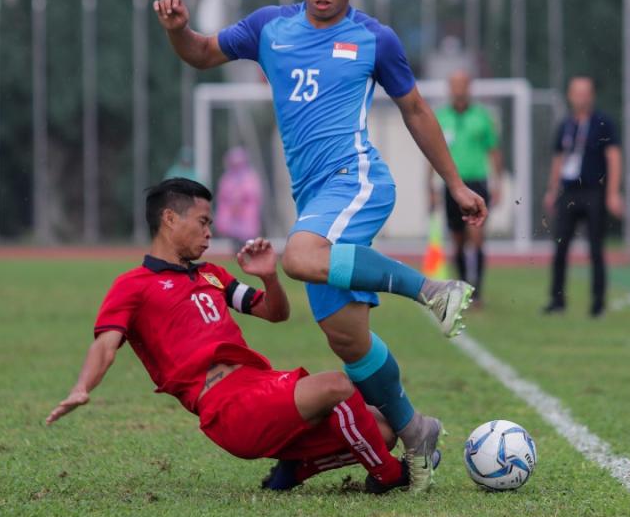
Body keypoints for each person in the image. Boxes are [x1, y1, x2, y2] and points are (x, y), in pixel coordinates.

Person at [154, 0, 487, 491]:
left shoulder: (374, 39)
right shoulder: (269, 29)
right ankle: (415, 432)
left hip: (357, 179)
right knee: (345, 335)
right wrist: (178, 31)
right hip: (314, 197)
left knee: (300, 257)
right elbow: (203, 54)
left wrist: (455, 184)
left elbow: (414, 110)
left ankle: (433, 290)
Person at [45, 178, 417, 494]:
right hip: (228, 409)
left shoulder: (211, 275)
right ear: (170, 219)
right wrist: (82, 387)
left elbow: (276, 314)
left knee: (381, 431)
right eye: (203, 222)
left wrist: (269, 277)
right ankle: (389, 475)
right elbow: (105, 344)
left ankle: (298, 468)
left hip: (258, 386)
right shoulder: (133, 286)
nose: (210, 233)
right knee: (337, 384)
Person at [542, 76, 623, 318]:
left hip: (593, 191)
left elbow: (614, 158)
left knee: (596, 249)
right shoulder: (565, 124)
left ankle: (598, 304)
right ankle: (557, 301)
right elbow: (558, 158)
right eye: (576, 92)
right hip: (569, 191)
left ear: (592, 95)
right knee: (560, 247)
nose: (581, 97)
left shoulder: (603, 123)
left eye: (585, 92)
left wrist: (613, 193)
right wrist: (552, 189)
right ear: (570, 95)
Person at [429, 70, 503, 304]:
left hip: (477, 183)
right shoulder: (440, 117)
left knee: (477, 236)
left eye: (462, 85)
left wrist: (497, 182)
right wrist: (429, 187)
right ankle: (463, 287)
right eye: (454, 85)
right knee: (458, 240)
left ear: (469, 87)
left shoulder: (482, 117)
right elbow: (431, 153)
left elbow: (493, 151)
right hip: (451, 185)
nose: (458, 89)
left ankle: (478, 290)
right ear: (450, 89)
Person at [215, 147, 264, 250]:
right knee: (234, 239)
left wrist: (241, 201)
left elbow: (254, 195)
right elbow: (223, 196)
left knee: (247, 239)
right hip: (233, 214)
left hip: (246, 214)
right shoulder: (227, 177)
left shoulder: (250, 177)